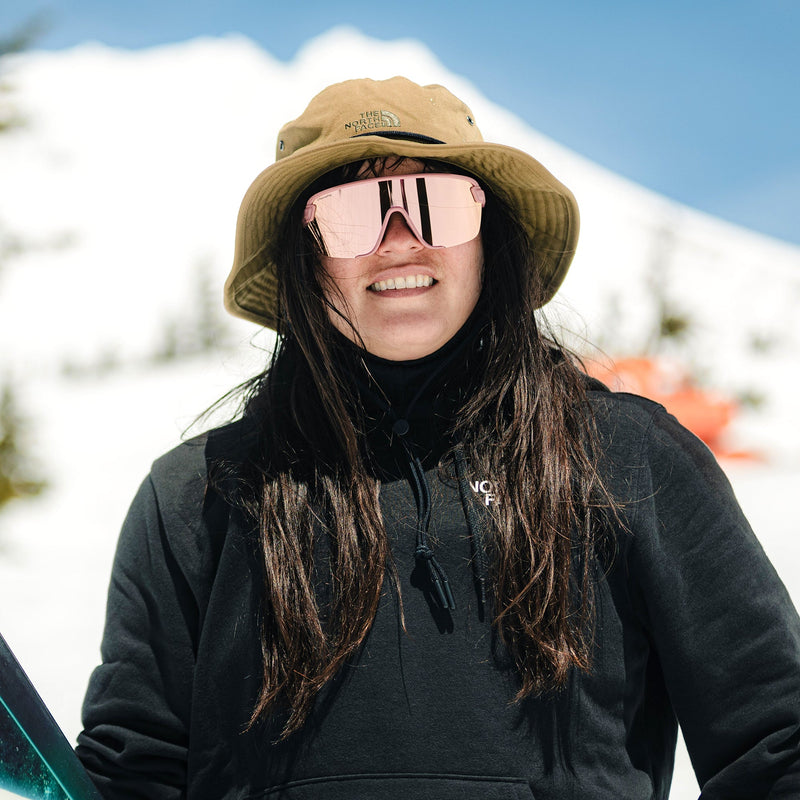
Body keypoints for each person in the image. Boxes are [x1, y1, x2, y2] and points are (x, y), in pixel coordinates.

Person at [75, 76, 800, 799]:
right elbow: (131, 773)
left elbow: (776, 745)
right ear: (303, 252)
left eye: (437, 204)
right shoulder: (197, 495)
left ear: (489, 237)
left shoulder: (627, 459)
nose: (399, 241)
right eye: (351, 214)